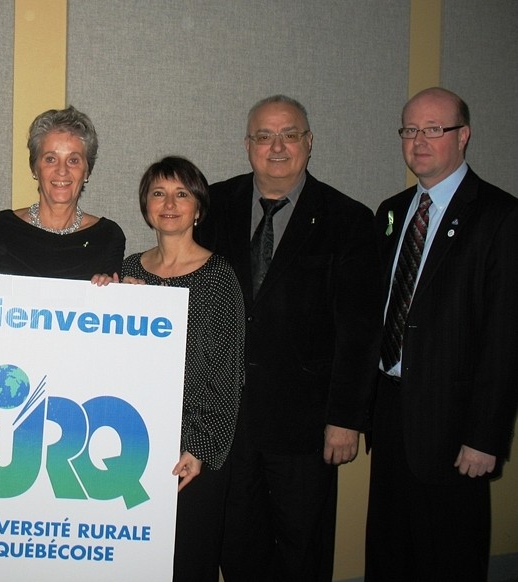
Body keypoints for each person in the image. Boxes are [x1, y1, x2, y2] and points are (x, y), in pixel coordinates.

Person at [194, 95, 382, 581]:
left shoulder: (349, 220)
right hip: (229, 420)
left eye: (289, 134)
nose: (276, 146)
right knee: (237, 546)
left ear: (309, 142)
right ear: (247, 145)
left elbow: (359, 332)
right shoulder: (214, 205)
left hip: (306, 425)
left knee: (303, 550)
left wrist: (346, 419)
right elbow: (182, 276)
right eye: (264, 136)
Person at [365, 87, 518, 581]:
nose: (420, 140)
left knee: (447, 558)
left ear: (463, 135)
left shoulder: (500, 216)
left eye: (435, 128)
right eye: (410, 130)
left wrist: (484, 436)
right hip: (389, 415)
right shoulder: (390, 212)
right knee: (389, 553)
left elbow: (505, 336)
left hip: (456, 429)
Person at [94, 156, 245, 581]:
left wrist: (199, 448)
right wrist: (105, 299)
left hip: (189, 453)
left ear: (198, 207)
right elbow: (108, 361)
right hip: (132, 446)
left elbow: (226, 374)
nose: (170, 203)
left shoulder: (219, 277)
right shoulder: (127, 270)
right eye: (158, 193)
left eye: (182, 194)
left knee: (186, 564)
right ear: (146, 207)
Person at [0, 105, 125, 279]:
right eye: (50, 159)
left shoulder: (107, 236)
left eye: (73, 160)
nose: (62, 170)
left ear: (86, 171)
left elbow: (110, 304)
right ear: (35, 168)